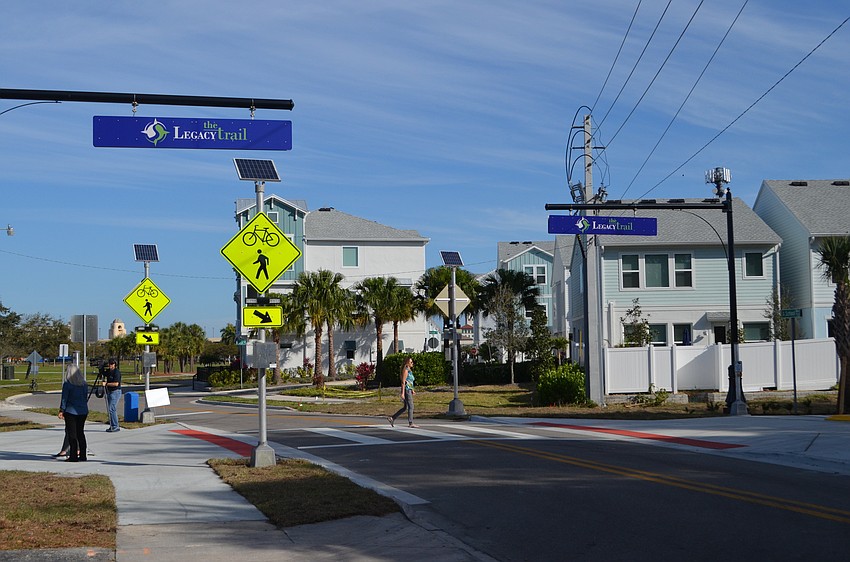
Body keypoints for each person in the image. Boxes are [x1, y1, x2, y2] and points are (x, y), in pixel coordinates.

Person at [58, 364, 88, 462]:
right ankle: (83, 455)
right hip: (83, 411)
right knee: (81, 433)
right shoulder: (84, 384)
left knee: (72, 434)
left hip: (71, 411)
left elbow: (64, 399)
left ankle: (73, 455)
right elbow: (84, 397)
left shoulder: (67, 384)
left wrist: (62, 410)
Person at [387, 357, 417, 428]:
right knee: (411, 406)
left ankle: (392, 418)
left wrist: (412, 389)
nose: (412, 363)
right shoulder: (405, 370)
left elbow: (409, 382)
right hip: (406, 390)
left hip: (409, 389)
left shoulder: (409, 370)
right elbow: (403, 382)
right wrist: (402, 393)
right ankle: (411, 422)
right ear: (407, 363)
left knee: (405, 407)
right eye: (411, 362)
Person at [102, 358, 122, 432]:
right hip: (109, 392)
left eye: (112, 364)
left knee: (111, 408)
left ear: (114, 364)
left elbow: (116, 383)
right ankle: (112, 424)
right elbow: (103, 373)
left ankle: (115, 426)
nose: (110, 365)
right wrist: (101, 369)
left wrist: (106, 384)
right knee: (110, 409)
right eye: (109, 364)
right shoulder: (109, 371)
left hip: (115, 392)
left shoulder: (116, 372)